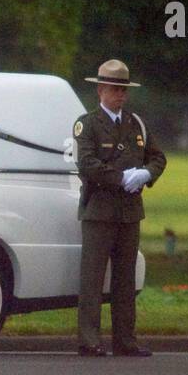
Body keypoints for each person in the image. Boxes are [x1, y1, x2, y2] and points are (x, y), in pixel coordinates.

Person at [72, 59, 167, 357]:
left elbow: (158, 157)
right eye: (115, 89)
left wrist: (147, 174)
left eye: (124, 90)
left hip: (129, 212)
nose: (120, 96)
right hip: (99, 211)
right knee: (93, 278)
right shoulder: (87, 124)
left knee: (125, 280)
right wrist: (121, 178)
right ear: (101, 90)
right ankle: (89, 340)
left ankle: (125, 340)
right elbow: (87, 165)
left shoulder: (135, 123)